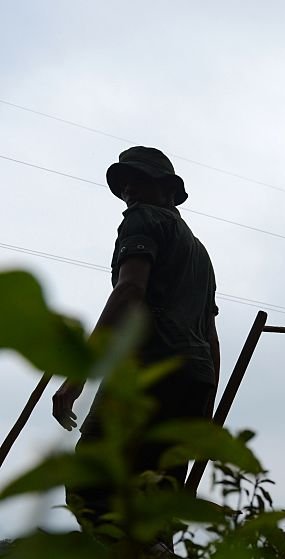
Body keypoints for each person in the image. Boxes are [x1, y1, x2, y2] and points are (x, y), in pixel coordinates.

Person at [52, 146, 220, 533]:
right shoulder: (200, 253)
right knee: (156, 492)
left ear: (166, 189)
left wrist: (77, 376)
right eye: (124, 182)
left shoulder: (142, 219)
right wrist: (206, 405)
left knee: (89, 486)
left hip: (149, 370)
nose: (129, 189)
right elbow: (208, 335)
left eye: (139, 179)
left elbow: (129, 292)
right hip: (193, 380)